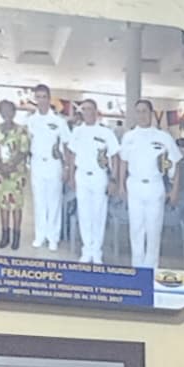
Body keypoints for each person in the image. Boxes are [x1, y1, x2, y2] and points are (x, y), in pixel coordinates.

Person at [119, 99, 178, 268]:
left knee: (153, 230)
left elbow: (175, 162)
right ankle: (137, 266)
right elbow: (123, 162)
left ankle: (151, 267)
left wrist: (174, 190)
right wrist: (121, 185)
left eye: (144, 111)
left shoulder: (163, 137)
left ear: (151, 113)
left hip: (155, 186)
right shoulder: (129, 137)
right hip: (134, 186)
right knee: (136, 229)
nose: (141, 115)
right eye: (138, 112)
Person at [16, 89, 72, 255]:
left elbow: (67, 145)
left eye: (44, 97)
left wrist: (67, 167)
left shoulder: (59, 121)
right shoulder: (30, 121)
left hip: (54, 164)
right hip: (36, 163)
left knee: (54, 202)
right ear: (35, 99)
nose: (41, 100)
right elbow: (24, 144)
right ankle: (40, 235)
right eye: (38, 97)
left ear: (49, 98)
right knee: (39, 201)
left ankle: (53, 237)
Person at [65, 97, 120, 264]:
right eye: (84, 109)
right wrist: (71, 176)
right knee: (84, 215)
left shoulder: (106, 132)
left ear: (96, 112)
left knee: (98, 215)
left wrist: (114, 179)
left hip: (99, 176)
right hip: (82, 176)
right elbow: (71, 155)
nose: (87, 112)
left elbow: (115, 156)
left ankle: (97, 251)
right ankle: (86, 250)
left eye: (90, 109)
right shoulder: (77, 132)